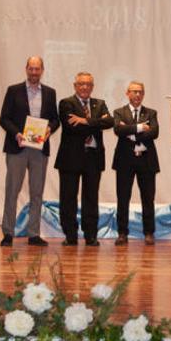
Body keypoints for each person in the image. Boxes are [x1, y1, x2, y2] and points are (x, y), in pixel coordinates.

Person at [0, 56, 60, 247]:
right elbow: (4, 119)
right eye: (31, 69)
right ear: (26, 69)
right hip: (18, 147)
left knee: (37, 192)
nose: (34, 72)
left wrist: (50, 128)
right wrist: (17, 133)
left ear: (42, 70)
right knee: (12, 190)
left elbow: (55, 119)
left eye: (37, 69)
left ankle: (34, 233)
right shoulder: (13, 90)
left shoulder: (50, 93)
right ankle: (8, 232)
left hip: (39, 150)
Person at [55, 72, 112, 246]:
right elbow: (71, 127)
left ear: (92, 87)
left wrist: (84, 121)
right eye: (81, 84)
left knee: (91, 198)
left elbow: (109, 122)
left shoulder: (100, 103)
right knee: (68, 198)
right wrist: (96, 122)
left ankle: (91, 235)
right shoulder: (66, 103)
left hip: (93, 159)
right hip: (70, 158)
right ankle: (70, 235)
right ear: (75, 86)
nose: (85, 87)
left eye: (88, 84)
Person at [112, 81, 159, 246]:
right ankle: (122, 233)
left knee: (148, 198)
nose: (137, 95)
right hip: (124, 161)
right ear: (127, 93)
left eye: (140, 92)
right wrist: (140, 128)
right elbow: (118, 130)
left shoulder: (151, 113)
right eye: (134, 92)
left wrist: (130, 131)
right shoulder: (119, 112)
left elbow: (154, 132)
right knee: (123, 198)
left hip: (146, 161)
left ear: (143, 94)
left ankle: (149, 232)